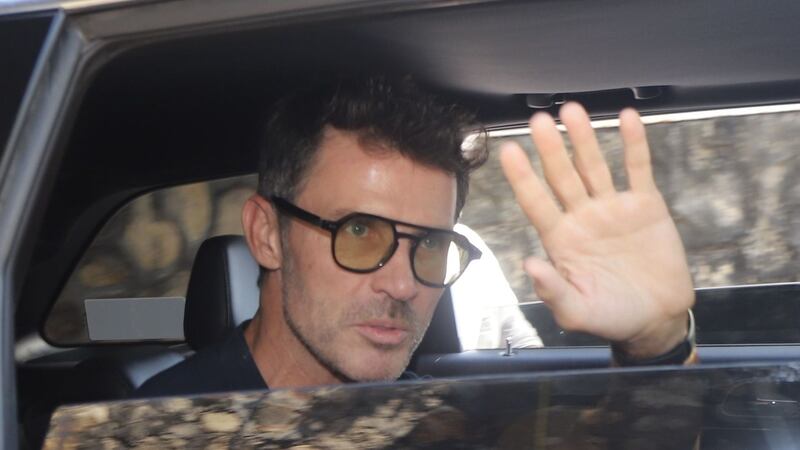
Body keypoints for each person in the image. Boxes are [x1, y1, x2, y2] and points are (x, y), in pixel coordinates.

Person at [136, 76, 695, 396]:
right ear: (267, 235)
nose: (404, 285)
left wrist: (655, 343)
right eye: (359, 231)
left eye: (430, 244)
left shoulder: (428, 414)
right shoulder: (158, 427)